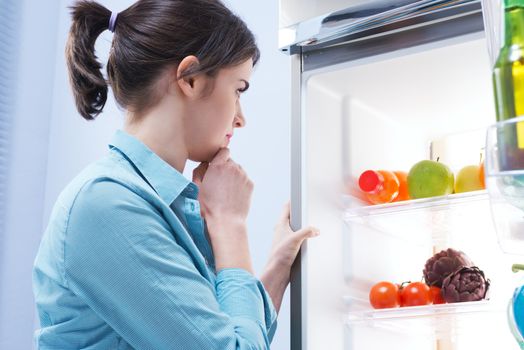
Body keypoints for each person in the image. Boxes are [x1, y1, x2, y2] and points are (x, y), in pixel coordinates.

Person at [32, 0, 319, 349]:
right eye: (238, 90)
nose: (240, 118)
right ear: (191, 78)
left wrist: (277, 267)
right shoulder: (106, 206)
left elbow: (227, 334)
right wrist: (230, 226)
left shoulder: (156, 204)